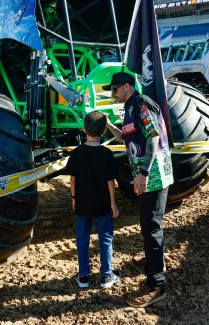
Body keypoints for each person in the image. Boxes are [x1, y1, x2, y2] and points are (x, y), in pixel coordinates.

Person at [103, 71, 174, 308]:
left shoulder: (141, 103)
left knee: (150, 227)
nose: (112, 93)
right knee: (150, 225)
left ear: (127, 86)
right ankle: (155, 261)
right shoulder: (132, 105)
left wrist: (143, 173)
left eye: (114, 89)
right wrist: (109, 126)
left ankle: (156, 285)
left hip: (151, 177)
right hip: (147, 176)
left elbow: (153, 137)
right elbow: (128, 137)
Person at [64, 111, 121, 289]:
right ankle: (106, 276)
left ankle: (83, 277)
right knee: (105, 238)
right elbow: (110, 181)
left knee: (82, 239)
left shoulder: (76, 153)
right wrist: (113, 203)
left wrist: (73, 198)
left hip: (82, 204)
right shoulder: (107, 154)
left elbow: (72, 180)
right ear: (104, 131)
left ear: (83, 129)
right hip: (103, 204)